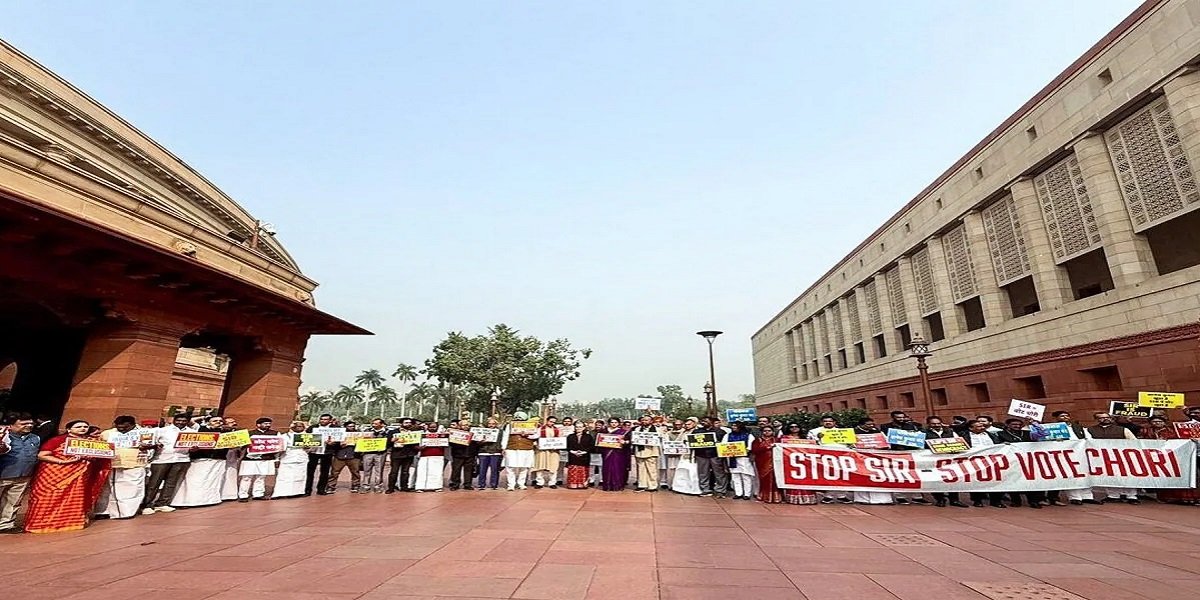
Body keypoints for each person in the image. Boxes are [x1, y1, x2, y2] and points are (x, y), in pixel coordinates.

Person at [24, 420, 110, 533]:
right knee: (49, 498)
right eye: (78, 427)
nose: (83, 428)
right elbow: (42, 455)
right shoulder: (58, 440)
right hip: (54, 475)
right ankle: (41, 524)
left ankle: (71, 522)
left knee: (74, 498)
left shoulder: (92, 442)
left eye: (85, 427)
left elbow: (103, 457)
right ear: (69, 429)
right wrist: (63, 462)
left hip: (79, 477)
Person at [170, 415, 226, 508]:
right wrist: (204, 417)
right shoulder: (200, 428)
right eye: (215, 421)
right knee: (194, 481)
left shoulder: (225, 432)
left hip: (217, 460)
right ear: (208, 422)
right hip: (200, 459)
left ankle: (208, 500)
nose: (218, 422)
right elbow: (191, 420)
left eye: (220, 421)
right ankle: (187, 501)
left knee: (211, 481)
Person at [142, 413, 193, 515]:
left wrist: (194, 449)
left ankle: (162, 503)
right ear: (174, 420)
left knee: (171, 483)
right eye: (178, 420)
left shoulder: (192, 432)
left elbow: (194, 446)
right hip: (162, 459)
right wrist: (156, 446)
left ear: (187, 422)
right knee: (154, 483)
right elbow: (150, 442)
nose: (181, 422)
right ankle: (147, 504)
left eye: (184, 421)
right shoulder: (162, 430)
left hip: (181, 459)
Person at [1144, 412, 1198, 505]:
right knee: (1162, 476)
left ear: (1164, 422)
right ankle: (1165, 497)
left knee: (1176, 475)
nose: (1157, 423)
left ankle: (1185, 497)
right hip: (1154, 456)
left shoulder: (1172, 431)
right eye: (1154, 421)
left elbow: (1179, 440)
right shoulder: (1146, 431)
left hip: (1173, 456)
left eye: (1159, 421)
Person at [0, 413, 41, 533]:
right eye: (23, 423)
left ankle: (5, 525)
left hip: (24, 475)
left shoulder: (35, 438)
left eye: (30, 423)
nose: (29, 425)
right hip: (3, 474)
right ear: (11, 425)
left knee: (14, 501)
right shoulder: (3, 436)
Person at [1087, 411, 1140, 504]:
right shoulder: (1089, 430)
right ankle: (1113, 495)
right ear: (1097, 419)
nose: (1105, 419)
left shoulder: (1123, 430)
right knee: (1109, 475)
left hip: (1122, 456)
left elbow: (1134, 442)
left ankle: (1131, 495)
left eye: (1107, 417)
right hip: (1103, 457)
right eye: (1102, 418)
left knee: (1127, 475)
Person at [996, 418, 1044, 509]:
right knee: (1013, 480)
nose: (1017, 426)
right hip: (1011, 460)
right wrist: (1002, 444)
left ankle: (1033, 501)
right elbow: (995, 445)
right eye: (1014, 424)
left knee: (1030, 481)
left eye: (1019, 424)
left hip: (1027, 460)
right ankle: (1015, 500)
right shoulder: (1000, 434)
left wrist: (1033, 423)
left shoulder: (1027, 433)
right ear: (1008, 425)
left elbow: (1043, 433)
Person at [924, 416, 966, 507]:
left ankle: (954, 500)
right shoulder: (923, 433)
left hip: (949, 461)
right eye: (933, 424)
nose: (936, 425)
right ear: (928, 424)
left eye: (938, 423)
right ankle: (940, 499)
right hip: (932, 461)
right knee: (934, 480)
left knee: (953, 479)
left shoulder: (950, 431)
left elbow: (959, 443)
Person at [808, 416, 852, 504]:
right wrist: (817, 438)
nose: (828, 423)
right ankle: (828, 496)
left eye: (830, 421)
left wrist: (850, 443)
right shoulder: (814, 431)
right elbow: (809, 442)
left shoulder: (843, 432)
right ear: (821, 423)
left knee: (842, 475)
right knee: (827, 475)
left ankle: (842, 495)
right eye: (825, 421)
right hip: (824, 457)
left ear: (834, 422)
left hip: (841, 456)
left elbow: (851, 444)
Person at [963, 420, 1005, 508]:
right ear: (971, 428)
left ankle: (996, 500)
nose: (982, 428)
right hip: (974, 462)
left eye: (983, 426)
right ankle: (977, 500)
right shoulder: (964, 436)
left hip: (991, 461)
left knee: (995, 480)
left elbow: (998, 444)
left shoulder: (991, 435)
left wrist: (1003, 445)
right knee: (976, 481)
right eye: (979, 426)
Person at [238, 418, 280, 502]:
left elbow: (278, 445)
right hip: (249, 459)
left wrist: (276, 458)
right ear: (258, 425)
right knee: (246, 477)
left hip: (266, 458)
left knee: (261, 477)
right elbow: (242, 445)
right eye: (265, 423)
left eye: (269, 423)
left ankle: (258, 494)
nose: (268, 425)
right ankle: (243, 495)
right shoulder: (249, 433)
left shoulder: (275, 433)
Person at [778, 423, 818, 505]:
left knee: (805, 479)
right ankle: (794, 498)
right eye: (791, 427)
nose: (794, 428)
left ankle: (807, 498)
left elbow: (812, 448)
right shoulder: (784, 438)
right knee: (793, 479)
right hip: (790, 461)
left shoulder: (805, 438)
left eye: (796, 426)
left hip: (805, 461)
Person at [272, 421, 312, 499]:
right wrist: (277, 459)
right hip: (287, 458)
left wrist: (308, 448)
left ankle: (297, 492)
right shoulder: (284, 436)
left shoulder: (308, 436)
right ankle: (280, 493)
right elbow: (279, 449)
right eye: (298, 426)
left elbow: (311, 449)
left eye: (301, 426)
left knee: (300, 476)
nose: (300, 428)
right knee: (284, 476)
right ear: (293, 427)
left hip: (301, 458)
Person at [692, 416, 728, 498]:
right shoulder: (697, 431)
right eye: (702, 421)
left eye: (706, 421)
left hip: (715, 454)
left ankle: (720, 490)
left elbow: (725, 443)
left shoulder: (720, 431)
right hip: (701, 454)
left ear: (711, 422)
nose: (703, 422)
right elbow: (691, 441)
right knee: (703, 473)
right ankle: (705, 490)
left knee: (719, 473)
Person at [502, 412, 537, 491]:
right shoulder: (509, 425)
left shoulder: (531, 425)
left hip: (526, 449)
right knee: (511, 467)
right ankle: (511, 485)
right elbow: (505, 436)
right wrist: (503, 447)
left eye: (521, 418)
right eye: (517, 418)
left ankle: (521, 484)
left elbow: (536, 435)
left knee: (524, 467)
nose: (519, 419)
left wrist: (527, 435)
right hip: (512, 449)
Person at [630, 415, 663, 492]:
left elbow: (661, 438)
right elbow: (634, 439)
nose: (644, 421)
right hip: (640, 451)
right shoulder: (637, 429)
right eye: (643, 420)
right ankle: (641, 485)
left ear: (651, 421)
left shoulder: (657, 429)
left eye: (647, 420)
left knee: (651, 469)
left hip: (652, 451)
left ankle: (652, 486)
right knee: (641, 469)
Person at [724, 421, 756, 500]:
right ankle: (738, 493)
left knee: (746, 476)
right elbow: (723, 445)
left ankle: (747, 494)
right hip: (732, 458)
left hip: (744, 458)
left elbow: (750, 446)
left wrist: (743, 451)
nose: (733, 427)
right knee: (735, 476)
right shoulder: (728, 435)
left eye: (735, 426)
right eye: (732, 426)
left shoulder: (748, 435)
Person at [305, 414, 335, 496]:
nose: (323, 421)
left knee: (325, 472)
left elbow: (339, 441)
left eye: (325, 419)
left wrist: (333, 443)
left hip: (327, 452)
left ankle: (321, 489)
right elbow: (305, 437)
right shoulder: (312, 427)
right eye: (321, 419)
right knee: (310, 472)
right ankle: (307, 490)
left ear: (330, 420)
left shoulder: (335, 429)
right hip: (313, 452)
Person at [750, 422, 781, 503]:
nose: (767, 432)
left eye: (769, 431)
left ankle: (775, 497)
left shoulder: (777, 440)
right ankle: (764, 496)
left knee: (775, 479)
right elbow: (755, 450)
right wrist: (768, 447)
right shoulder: (758, 440)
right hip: (762, 462)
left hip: (775, 462)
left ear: (773, 432)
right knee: (764, 479)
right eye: (765, 431)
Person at [387, 418, 420, 493]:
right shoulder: (393, 432)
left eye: (409, 422)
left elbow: (416, 443)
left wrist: (417, 449)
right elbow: (387, 443)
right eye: (406, 422)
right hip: (396, 454)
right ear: (401, 423)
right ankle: (391, 488)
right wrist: (391, 441)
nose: (408, 424)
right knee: (394, 472)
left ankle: (404, 487)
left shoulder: (413, 432)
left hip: (409, 454)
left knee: (405, 472)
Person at [328, 422, 362, 493]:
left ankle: (355, 485)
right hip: (339, 455)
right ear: (345, 427)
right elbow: (333, 445)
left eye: (353, 426)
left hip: (353, 455)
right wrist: (339, 445)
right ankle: (331, 486)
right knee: (334, 472)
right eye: (350, 426)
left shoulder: (359, 434)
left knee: (355, 472)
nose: (352, 428)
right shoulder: (339, 434)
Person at [670, 418, 701, 495]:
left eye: (689, 424)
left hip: (694, 455)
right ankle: (680, 488)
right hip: (684, 454)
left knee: (693, 472)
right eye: (686, 424)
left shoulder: (698, 431)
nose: (687, 426)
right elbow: (677, 442)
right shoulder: (683, 432)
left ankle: (694, 489)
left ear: (694, 424)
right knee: (682, 471)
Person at [598, 417, 631, 492]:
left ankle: (617, 485)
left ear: (618, 423)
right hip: (606, 452)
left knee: (617, 468)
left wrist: (625, 442)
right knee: (606, 468)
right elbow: (599, 440)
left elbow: (629, 441)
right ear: (609, 423)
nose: (614, 424)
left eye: (615, 422)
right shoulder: (604, 431)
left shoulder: (623, 432)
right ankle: (607, 485)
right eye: (612, 422)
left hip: (618, 453)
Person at [532, 416, 563, 488]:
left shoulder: (557, 430)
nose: (552, 423)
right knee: (540, 466)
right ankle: (539, 483)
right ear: (547, 421)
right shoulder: (540, 429)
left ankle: (552, 483)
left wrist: (558, 445)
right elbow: (535, 437)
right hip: (542, 450)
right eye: (551, 421)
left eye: (554, 422)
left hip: (553, 451)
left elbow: (560, 440)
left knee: (553, 467)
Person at [360, 419, 390, 493]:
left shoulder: (387, 432)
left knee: (379, 470)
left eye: (376, 424)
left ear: (382, 424)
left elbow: (390, 442)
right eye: (373, 423)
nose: (373, 425)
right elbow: (361, 440)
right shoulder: (367, 431)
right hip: (368, 452)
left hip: (380, 453)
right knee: (366, 470)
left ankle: (378, 486)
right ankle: (366, 486)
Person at [415, 421, 446, 492]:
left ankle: (437, 487)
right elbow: (415, 445)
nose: (432, 429)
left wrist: (441, 445)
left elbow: (446, 445)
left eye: (434, 427)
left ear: (437, 427)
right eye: (431, 427)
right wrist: (420, 448)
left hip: (438, 455)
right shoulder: (422, 435)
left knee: (437, 472)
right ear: (427, 427)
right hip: (424, 456)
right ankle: (420, 487)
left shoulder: (442, 435)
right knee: (422, 472)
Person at [473, 417, 503, 491]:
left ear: (496, 424)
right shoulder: (482, 431)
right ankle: (481, 484)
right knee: (482, 469)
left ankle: (494, 484)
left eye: (493, 424)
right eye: (489, 423)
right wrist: (481, 441)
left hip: (495, 452)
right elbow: (476, 442)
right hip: (483, 452)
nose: (491, 425)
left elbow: (502, 441)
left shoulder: (500, 432)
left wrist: (501, 449)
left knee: (495, 470)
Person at [448, 420, 478, 490]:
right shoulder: (455, 433)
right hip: (458, 454)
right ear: (459, 426)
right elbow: (451, 443)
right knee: (456, 470)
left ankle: (467, 484)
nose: (466, 426)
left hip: (470, 454)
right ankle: (455, 484)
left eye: (467, 425)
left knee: (469, 470)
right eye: (464, 425)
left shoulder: (474, 433)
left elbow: (477, 444)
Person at [565, 422, 594, 489]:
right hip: (573, 456)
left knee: (583, 470)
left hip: (584, 456)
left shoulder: (588, 436)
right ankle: (572, 485)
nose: (578, 428)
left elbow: (591, 446)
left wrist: (584, 452)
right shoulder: (570, 436)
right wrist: (573, 452)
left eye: (580, 427)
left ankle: (582, 484)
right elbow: (567, 446)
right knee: (573, 470)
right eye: (577, 427)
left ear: (584, 428)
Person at [220, 417, 242, 501]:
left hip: (233, 455)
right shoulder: (220, 432)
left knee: (232, 473)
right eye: (231, 422)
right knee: (221, 473)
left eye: (234, 421)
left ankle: (230, 494)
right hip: (222, 455)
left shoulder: (238, 432)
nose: (234, 423)